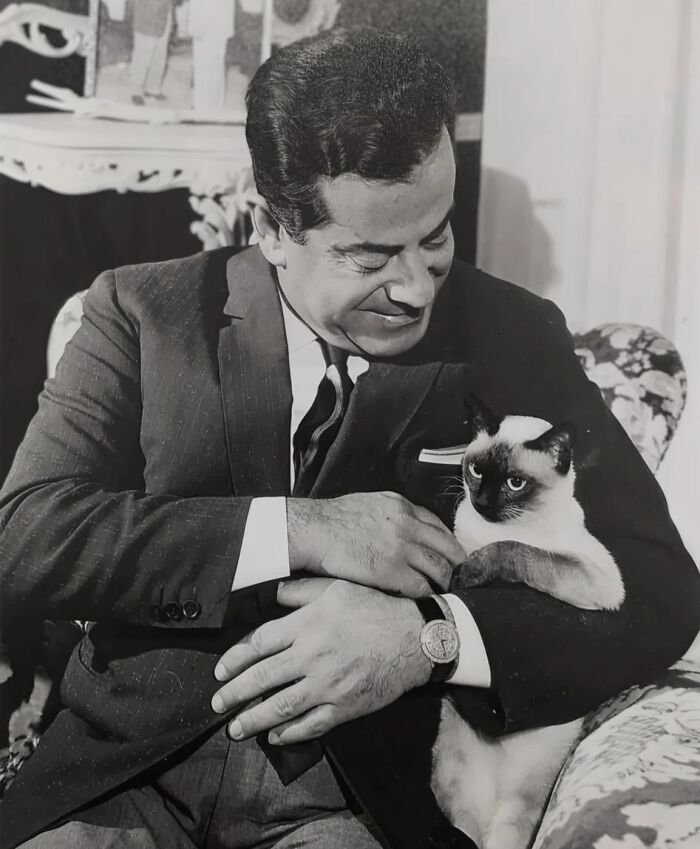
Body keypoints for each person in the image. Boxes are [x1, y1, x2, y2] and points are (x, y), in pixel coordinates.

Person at [0, 27, 698, 849]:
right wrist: (302, 527)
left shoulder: (513, 334)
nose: (413, 289)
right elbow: (25, 535)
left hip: (357, 807)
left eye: (434, 236)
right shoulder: (141, 312)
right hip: (121, 784)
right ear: (272, 228)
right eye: (368, 255)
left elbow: (659, 589)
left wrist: (430, 639)